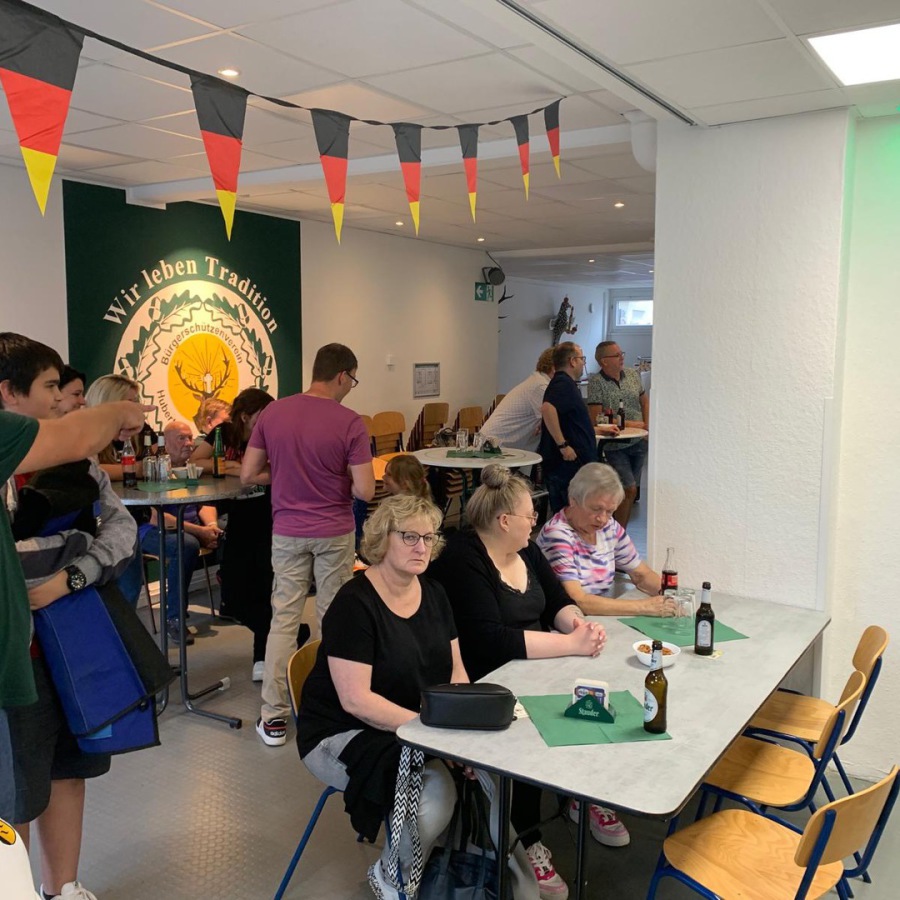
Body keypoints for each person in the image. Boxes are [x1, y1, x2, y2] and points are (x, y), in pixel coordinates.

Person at [428, 464, 622, 900]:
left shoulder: (527, 551)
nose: (535, 519)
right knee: (534, 737)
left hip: (534, 666)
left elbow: (556, 601)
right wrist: (570, 645)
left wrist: (578, 625)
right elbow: (490, 640)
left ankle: (576, 794)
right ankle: (525, 839)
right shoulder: (464, 559)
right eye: (528, 514)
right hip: (484, 679)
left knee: (591, 707)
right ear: (503, 520)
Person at [0, 333, 148, 900]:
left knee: (70, 765)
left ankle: (61, 887)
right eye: (49, 387)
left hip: (72, 637)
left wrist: (72, 575)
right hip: (18, 654)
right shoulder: (23, 451)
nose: (59, 399)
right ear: (9, 393)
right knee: (15, 789)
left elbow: (120, 529)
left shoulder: (77, 465)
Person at [295, 494, 464, 899]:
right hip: (341, 733)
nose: (421, 547)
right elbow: (356, 701)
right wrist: (435, 734)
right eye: (409, 537)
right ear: (382, 539)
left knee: (485, 775)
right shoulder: (354, 604)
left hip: (413, 723)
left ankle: (465, 868)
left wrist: (462, 729)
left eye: (428, 537)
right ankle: (393, 876)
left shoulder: (435, 593)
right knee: (433, 793)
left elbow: (456, 672)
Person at [242, 343, 375, 747]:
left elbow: (249, 473)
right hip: (333, 530)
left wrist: (284, 475)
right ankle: (325, 707)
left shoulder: (273, 413)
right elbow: (365, 490)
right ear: (342, 375)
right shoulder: (351, 422)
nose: (351, 388)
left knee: (283, 619)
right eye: (353, 380)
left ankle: (274, 718)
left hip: (287, 530)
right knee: (332, 617)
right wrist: (338, 478)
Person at [190, 388, 282, 681]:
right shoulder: (223, 433)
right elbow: (195, 461)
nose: (268, 421)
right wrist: (236, 468)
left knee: (264, 588)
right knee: (232, 597)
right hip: (237, 518)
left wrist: (242, 470)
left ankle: (262, 656)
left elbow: (277, 471)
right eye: (262, 415)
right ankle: (287, 634)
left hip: (267, 517)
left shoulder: (272, 435)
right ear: (245, 416)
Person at [118, 421, 222, 645]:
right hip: (151, 531)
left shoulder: (193, 469)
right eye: (181, 438)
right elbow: (157, 518)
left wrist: (212, 526)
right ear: (164, 443)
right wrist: (201, 532)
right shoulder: (151, 470)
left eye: (190, 438)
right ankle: (174, 619)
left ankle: (236, 603)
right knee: (187, 544)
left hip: (192, 528)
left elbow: (206, 503)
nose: (189, 443)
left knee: (230, 531)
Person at [537, 464, 674, 617]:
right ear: (573, 500)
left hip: (596, 617)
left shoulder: (609, 527)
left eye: (609, 511)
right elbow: (577, 600)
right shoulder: (557, 535)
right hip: (565, 620)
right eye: (596, 509)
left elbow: (641, 574)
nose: (602, 519)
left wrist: (672, 599)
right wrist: (644, 607)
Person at [538, 342, 617, 514]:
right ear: (572, 361)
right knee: (570, 513)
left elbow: (571, 423)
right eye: (582, 359)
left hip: (573, 465)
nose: (584, 363)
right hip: (566, 466)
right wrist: (563, 445)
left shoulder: (567, 384)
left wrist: (596, 430)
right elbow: (547, 409)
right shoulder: (562, 383)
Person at [586, 342, 648, 527]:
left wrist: (648, 426)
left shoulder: (632, 375)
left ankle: (620, 532)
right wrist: (631, 424)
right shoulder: (596, 382)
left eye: (622, 353)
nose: (622, 357)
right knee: (627, 489)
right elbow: (596, 417)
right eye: (617, 355)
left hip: (639, 440)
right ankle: (616, 534)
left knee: (631, 492)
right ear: (604, 361)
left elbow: (644, 401)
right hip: (615, 444)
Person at [480, 348, 555, 453]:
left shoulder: (538, 381)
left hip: (499, 442)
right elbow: (555, 422)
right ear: (554, 368)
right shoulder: (540, 387)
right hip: (496, 444)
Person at [83, 374, 155, 482]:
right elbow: (89, 470)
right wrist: (137, 469)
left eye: (135, 402)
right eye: (129, 403)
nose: (135, 409)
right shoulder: (85, 431)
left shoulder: (136, 427)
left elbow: (157, 456)